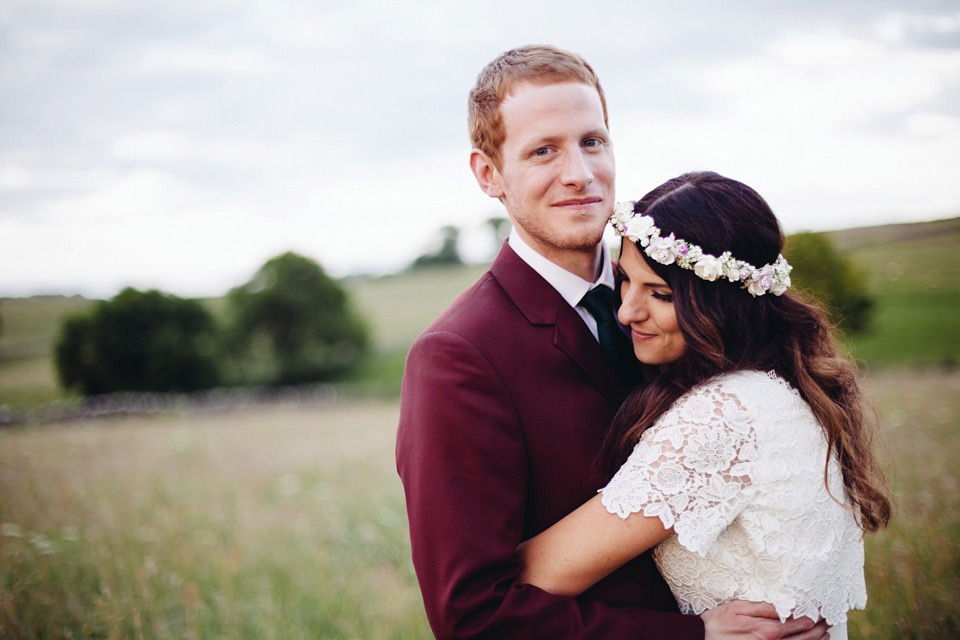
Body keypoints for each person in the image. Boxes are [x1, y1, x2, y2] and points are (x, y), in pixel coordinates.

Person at [397, 45, 831, 639]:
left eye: (592, 141)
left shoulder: (687, 304)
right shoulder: (457, 357)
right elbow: (471, 616)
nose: (578, 172)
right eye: (543, 150)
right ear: (488, 174)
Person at [516, 171, 892, 640]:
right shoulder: (778, 387)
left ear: (720, 303)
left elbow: (537, 573)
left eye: (660, 294)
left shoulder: (723, 418)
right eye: (625, 280)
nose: (626, 312)